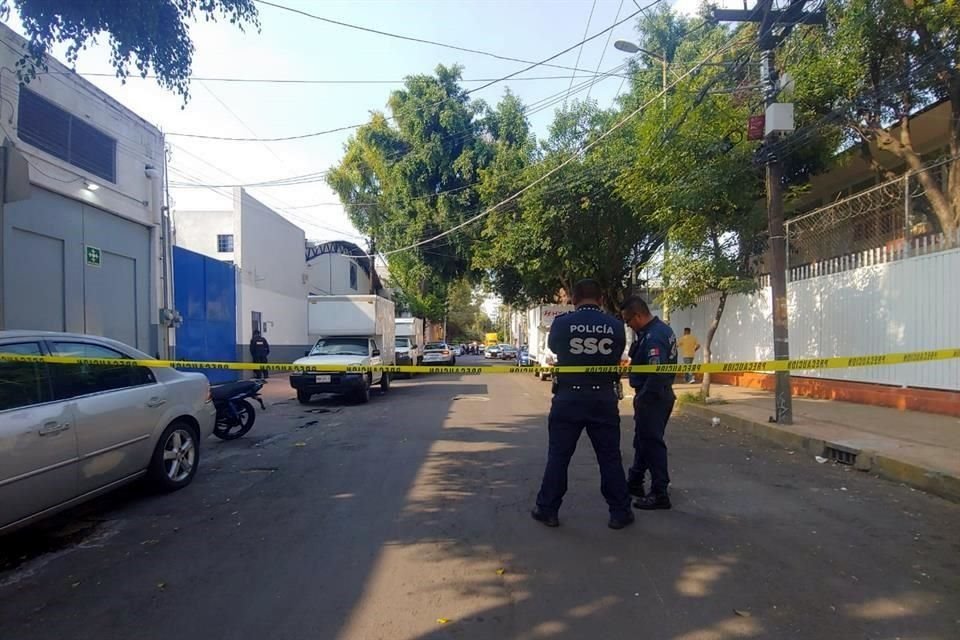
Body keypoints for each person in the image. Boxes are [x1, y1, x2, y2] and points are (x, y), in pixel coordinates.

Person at [532, 279, 634, 530]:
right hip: (603, 398)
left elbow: (554, 348)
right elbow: (618, 351)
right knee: (610, 458)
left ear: (573, 299)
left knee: (559, 457)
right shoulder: (615, 325)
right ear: (600, 299)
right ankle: (619, 512)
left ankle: (548, 510)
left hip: (568, 398)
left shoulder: (561, 324)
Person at [621, 296, 677, 510]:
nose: (628, 325)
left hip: (654, 397)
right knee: (643, 441)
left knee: (652, 444)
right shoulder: (656, 330)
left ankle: (660, 492)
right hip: (655, 395)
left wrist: (643, 397)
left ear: (638, 315)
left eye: (629, 320)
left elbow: (657, 373)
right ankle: (635, 481)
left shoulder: (654, 337)